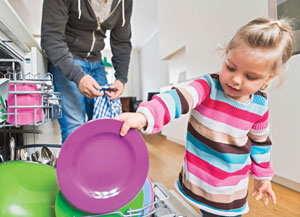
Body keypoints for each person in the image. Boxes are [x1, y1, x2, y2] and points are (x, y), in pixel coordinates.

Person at [116, 17, 294, 217]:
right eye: (231, 67)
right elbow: (177, 98)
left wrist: (263, 176)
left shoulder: (260, 106)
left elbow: (261, 143)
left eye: (250, 77)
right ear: (225, 55)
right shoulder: (207, 86)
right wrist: (144, 116)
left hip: (230, 189)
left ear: (268, 79)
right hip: (199, 180)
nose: (235, 79)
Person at [41, 0, 132, 143]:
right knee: (74, 127)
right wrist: (77, 76)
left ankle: (98, 165)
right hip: (68, 59)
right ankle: (74, 166)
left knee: (103, 126)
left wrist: (121, 78)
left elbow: (121, 41)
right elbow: (51, 38)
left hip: (96, 63)